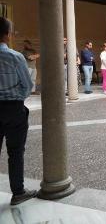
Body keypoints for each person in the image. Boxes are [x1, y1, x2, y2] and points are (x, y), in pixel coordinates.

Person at [0, 17, 37, 205]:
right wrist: (17, 98)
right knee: (15, 153)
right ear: (7, 34)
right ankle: (18, 192)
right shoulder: (15, 57)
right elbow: (27, 85)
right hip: (13, 108)